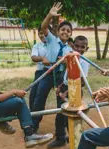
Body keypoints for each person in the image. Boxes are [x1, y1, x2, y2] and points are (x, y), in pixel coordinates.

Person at [0, 37, 52, 148]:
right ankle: (29, 134)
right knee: (18, 102)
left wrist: (1, 92)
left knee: (15, 99)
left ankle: (2, 123)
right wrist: (13, 91)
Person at [31, 2, 73, 131]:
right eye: (63, 30)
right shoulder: (52, 40)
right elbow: (43, 26)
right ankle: (33, 126)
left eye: (68, 31)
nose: (65, 32)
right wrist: (50, 15)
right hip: (47, 73)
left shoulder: (69, 49)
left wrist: (66, 63)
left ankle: (61, 130)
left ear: (71, 34)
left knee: (61, 101)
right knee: (39, 98)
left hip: (60, 77)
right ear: (58, 31)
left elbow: (70, 65)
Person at [47, 35, 90, 149]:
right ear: (72, 46)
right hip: (65, 88)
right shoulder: (70, 59)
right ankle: (60, 138)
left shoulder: (84, 62)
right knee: (60, 115)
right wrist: (60, 87)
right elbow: (66, 77)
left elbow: (82, 82)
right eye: (77, 46)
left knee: (71, 117)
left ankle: (74, 143)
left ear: (87, 48)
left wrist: (69, 92)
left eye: (83, 47)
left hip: (75, 91)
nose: (79, 49)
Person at [29, 25, 50, 111]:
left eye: (44, 33)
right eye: (40, 33)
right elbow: (34, 57)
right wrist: (42, 58)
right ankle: (33, 114)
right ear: (38, 34)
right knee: (33, 94)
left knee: (40, 94)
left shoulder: (53, 45)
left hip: (52, 72)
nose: (43, 35)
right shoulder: (37, 46)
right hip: (40, 72)